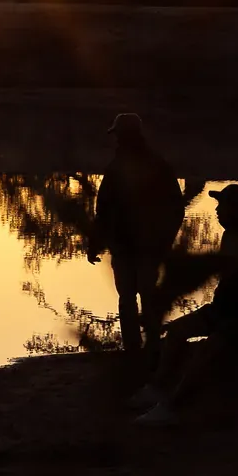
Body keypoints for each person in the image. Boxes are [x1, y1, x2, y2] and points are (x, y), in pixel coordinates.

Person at [131, 183, 238, 426]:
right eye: (218, 205)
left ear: (237, 209)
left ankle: (174, 406)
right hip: (226, 310)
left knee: (207, 351)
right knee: (176, 332)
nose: (218, 211)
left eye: (222, 206)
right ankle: (157, 389)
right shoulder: (232, 234)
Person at [86, 113, 193, 361]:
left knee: (132, 297)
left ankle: (137, 350)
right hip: (141, 246)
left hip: (135, 246)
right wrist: (165, 241)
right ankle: (145, 348)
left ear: (124, 136)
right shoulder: (155, 164)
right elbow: (176, 208)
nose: (116, 141)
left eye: (118, 135)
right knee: (142, 296)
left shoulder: (124, 167)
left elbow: (104, 210)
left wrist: (97, 241)